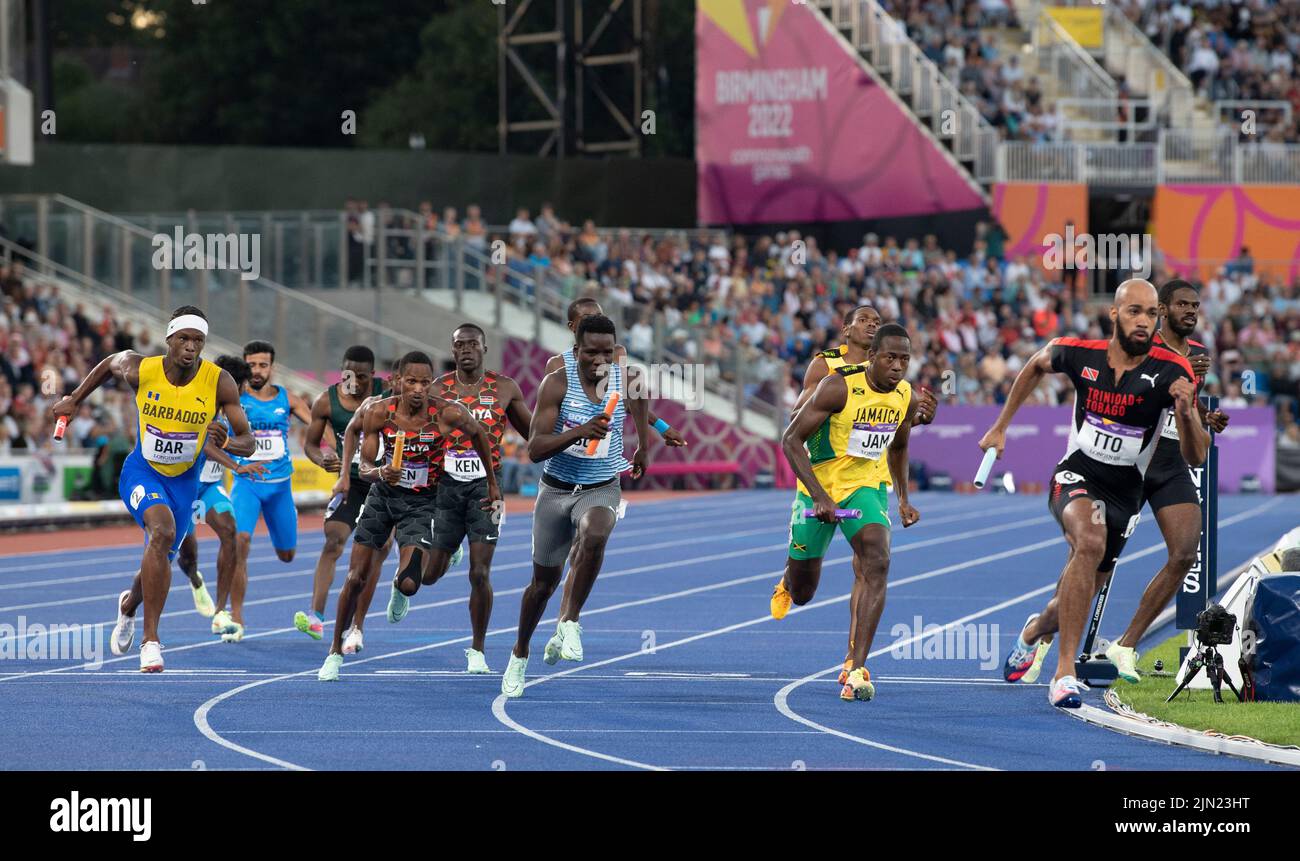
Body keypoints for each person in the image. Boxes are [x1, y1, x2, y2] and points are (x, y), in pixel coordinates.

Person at [984, 280, 1207, 708]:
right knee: (1088, 542)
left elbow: (1195, 457)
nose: (1143, 322)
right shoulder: (1078, 353)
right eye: (1134, 312)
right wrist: (1000, 426)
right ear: (1115, 315)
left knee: (1075, 594)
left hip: (1126, 489)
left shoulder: (1174, 370)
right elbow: (1035, 365)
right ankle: (1064, 674)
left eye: (1150, 315)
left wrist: (1185, 410)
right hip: (1077, 473)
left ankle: (1034, 630)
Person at [51, 307, 255, 672]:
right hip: (142, 471)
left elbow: (247, 440)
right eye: (184, 339)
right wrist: (75, 398)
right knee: (161, 533)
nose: (191, 347)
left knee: (163, 554)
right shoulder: (142, 369)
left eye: (198, 341)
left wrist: (227, 443)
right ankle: (151, 642)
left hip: (184, 482)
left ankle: (128, 606)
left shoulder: (218, 381)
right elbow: (110, 362)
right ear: (169, 340)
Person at [318, 351, 501, 681]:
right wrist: (361, 474)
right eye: (411, 381)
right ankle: (334, 652)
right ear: (397, 381)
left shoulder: (446, 413)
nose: (418, 388)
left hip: (422, 503)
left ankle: (399, 584)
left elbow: (479, 435)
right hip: (383, 499)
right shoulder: (378, 411)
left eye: (424, 382)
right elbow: (357, 444)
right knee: (356, 576)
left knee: (411, 583)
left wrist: (491, 482)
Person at [779, 305, 935, 684]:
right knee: (803, 591)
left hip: (865, 486)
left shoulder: (906, 397)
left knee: (876, 561)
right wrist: (818, 496)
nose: (898, 367)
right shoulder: (837, 385)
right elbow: (790, 440)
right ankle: (788, 579)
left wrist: (902, 499)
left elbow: (898, 448)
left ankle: (856, 666)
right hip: (819, 488)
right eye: (890, 358)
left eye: (904, 360)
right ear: (871, 356)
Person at [500, 314, 650, 698]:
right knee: (542, 585)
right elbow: (534, 449)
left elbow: (640, 404)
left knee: (596, 532)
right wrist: (580, 432)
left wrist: (644, 448)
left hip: (601, 485)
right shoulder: (557, 383)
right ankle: (519, 653)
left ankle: (570, 620)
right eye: (590, 352)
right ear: (576, 350)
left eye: (607, 352)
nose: (599, 360)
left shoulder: (627, 378)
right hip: (556, 489)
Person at [390, 324, 529, 673]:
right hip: (446, 487)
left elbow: (534, 433)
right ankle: (426, 566)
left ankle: (477, 650)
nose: (466, 350)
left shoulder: (505, 388)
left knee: (480, 573)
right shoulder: (437, 390)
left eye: (472, 344)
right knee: (430, 576)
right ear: (453, 351)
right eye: (459, 345)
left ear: (484, 348)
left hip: (487, 489)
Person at [298, 346, 385, 640]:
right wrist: (321, 459)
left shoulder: (387, 395)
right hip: (349, 483)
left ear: (372, 376)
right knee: (333, 540)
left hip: (384, 486)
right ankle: (315, 616)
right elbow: (310, 443)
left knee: (374, 553)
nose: (354, 382)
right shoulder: (327, 400)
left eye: (362, 376)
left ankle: (356, 626)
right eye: (348, 374)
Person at [228, 341, 313, 640]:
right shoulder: (232, 399)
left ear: (272, 367)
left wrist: (334, 446)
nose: (257, 370)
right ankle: (236, 617)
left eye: (263, 365)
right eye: (252, 365)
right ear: (244, 365)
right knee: (241, 540)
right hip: (246, 485)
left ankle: (286, 527)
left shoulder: (288, 399)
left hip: (279, 488)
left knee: (287, 555)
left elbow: (317, 427)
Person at [180, 355, 269, 641]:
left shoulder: (235, 408)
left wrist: (234, 445)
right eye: (239, 386)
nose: (241, 393)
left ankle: (220, 612)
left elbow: (247, 443)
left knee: (231, 530)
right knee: (187, 553)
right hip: (183, 487)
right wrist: (237, 466)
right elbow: (205, 446)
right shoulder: (195, 401)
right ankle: (195, 580)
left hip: (209, 487)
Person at [546, 298, 687, 449]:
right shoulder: (557, 364)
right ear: (572, 326)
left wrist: (661, 427)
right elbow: (550, 413)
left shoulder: (617, 354)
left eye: (599, 317)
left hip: (605, 455)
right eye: (587, 318)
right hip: (568, 453)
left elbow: (625, 400)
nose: (594, 322)